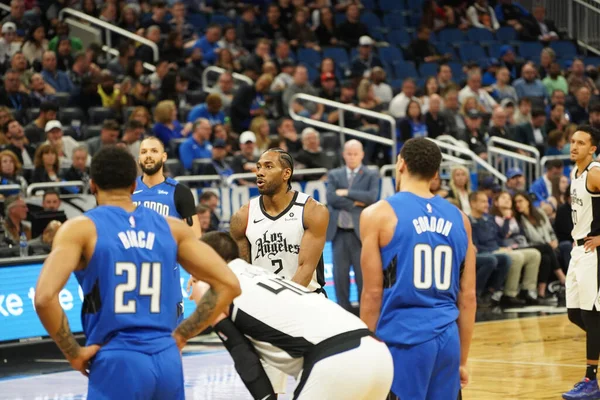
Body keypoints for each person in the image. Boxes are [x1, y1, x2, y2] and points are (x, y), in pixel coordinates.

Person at [34, 146, 240, 399]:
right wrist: (183, 334)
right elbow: (229, 283)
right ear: (133, 186)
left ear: (93, 186)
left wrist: (73, 353)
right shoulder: (172, 228)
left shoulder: (80, 229)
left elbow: (44, 298)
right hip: (167, 358)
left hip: (116, 358)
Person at [189, 231, 394, 400]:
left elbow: (242, 355)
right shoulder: (258, 273)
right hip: (376, 351)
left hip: (334, 360)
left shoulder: (214, 288)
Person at [360, 137, 476, 400]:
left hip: (402, 339)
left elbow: (372, 294)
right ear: (436, 173)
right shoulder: (461, 218)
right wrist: (462, 360)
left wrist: (364, 352)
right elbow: (468, 297)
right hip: (447, 339)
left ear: (400, 163)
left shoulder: (377, 214)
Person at [229, 148, 329, 395]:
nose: (259, 172)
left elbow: (306, 268)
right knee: (268, 391)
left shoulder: (311, 210)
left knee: (320, 386)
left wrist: (283, 305)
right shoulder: (243, 216)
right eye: (258, 166)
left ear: (286, 173)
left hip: (306, 303)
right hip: (266, 310)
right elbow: (243, 270)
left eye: (268, 166)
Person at [563, 125, 600, 399]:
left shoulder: (595, 173)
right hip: (577, 251)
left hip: (592, 251)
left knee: (591, 314)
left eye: (581, 142)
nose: (574, 146)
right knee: (574, 313)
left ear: (593, 148)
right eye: (572, 141)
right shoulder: (573, 173)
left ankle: (590, 379)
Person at [326, 140, 378, 312]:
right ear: (343, 154)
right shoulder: (334, 174)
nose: (352, 157)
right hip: (339, 233)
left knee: (363, 276)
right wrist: (356, 203)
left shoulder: (371, 174)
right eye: (349, 153)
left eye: (356, 154)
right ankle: (343, 316)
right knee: (340, 278)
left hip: (360, 233)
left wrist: (347, 193)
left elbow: (371, 198)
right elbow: (331, 198)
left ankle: (366, 316)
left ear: (362, 154)